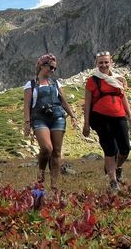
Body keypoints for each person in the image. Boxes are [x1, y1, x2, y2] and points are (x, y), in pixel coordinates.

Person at [82, 51, 131, 191]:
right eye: (101, 62)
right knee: (109, 148)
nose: (103, 65)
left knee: (124, 148)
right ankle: (112, 181)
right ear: (96, 64)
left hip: (119, 116)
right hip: (99, 117)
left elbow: (123, 97)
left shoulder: (119, 79)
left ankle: (117, 168)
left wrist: (130, 116)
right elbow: (87, 104)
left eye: (106, 62)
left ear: (111, 62)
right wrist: (86, 124)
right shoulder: (92, 80)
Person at [23, 54, 79, 190]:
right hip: (39, 118)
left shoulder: (56, 83)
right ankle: (41, 172)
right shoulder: (30, 84)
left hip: (57, 117)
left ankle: (54, 183)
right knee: (47, 148)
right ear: (42, 66)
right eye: (51, 67)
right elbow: (27, 104)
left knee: (57, 152)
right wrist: (27, 122)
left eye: (55, 68)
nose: (53, 71)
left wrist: (72, 116)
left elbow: (63, 101)